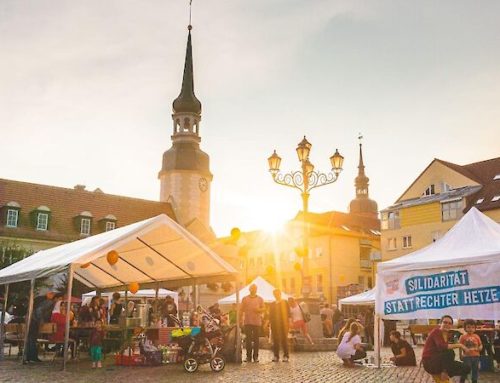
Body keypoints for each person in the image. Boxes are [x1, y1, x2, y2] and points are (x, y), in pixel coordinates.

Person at [422, 315, 471, 382]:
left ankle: (446, 373)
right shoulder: (436, 331)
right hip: (430, 362)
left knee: (466, 368)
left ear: (451, 325)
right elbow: (442, 346)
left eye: (449, 323)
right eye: (445, 322)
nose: (447, 325)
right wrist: (460, 345)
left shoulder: (446, 334)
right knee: (450, 352)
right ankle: (444, 372)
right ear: (440, 323)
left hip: (440, 362)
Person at [25, 292, 60, 362]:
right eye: (60, 299)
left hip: (31, 320)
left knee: (30, 339)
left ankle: (28, 356)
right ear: (56, 298)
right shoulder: (50, 302)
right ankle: (33, 357)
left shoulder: (45, 301)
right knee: (32, 339)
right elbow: (39, 310)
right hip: (34, 321)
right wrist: (41, 320)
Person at [239, 283, 265, 362]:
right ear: (249, 289)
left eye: (255, 288)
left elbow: (264, 308)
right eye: (252, 288)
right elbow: (241, 309)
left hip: (257, 322)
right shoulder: (245, 298)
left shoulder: (260, 299)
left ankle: (255, 357)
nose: (253, 290)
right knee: (248, 340)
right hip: (248, 322)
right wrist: (240, 319)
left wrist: (259, 310)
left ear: (256, 290)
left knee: (256, 340)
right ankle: (248, 357)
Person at [269, 289, 290, 362]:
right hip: (274, 324)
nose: (276, 295)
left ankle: (286, 355)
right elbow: (270, 315)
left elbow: (288, 313)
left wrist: (288, 323)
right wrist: (270, 323)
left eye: (277, 294)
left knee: (284, 339)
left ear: (280, 294)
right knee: (275, 340)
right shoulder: (272, 304)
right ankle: (276, 355)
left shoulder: (284, 302)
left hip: (283, 323)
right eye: (275, 294)